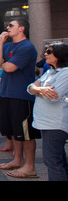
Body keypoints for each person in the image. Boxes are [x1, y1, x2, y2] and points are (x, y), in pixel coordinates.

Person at [0, 18, 39, 178]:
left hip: (22, 95)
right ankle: (18, 160)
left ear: (22, 28)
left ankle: (30, 166)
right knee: (14, 131)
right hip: (6, 93)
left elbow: (10, 67)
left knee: (25, 133)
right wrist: (0, 43)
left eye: (11, 25)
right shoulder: (7, 46)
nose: (7, 27)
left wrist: (5, 63)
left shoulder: (27, 47)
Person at [27, 42, 68, 181]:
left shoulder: (66, 73)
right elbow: (30, 87)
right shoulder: (50, 71)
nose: (45, 54)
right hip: (45, 122)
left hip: (55, 123)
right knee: (58, 159)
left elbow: (53, 97)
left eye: (49, 52)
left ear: (60, 55)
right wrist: (40, 89)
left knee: (52, 161)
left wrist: (38, 89)